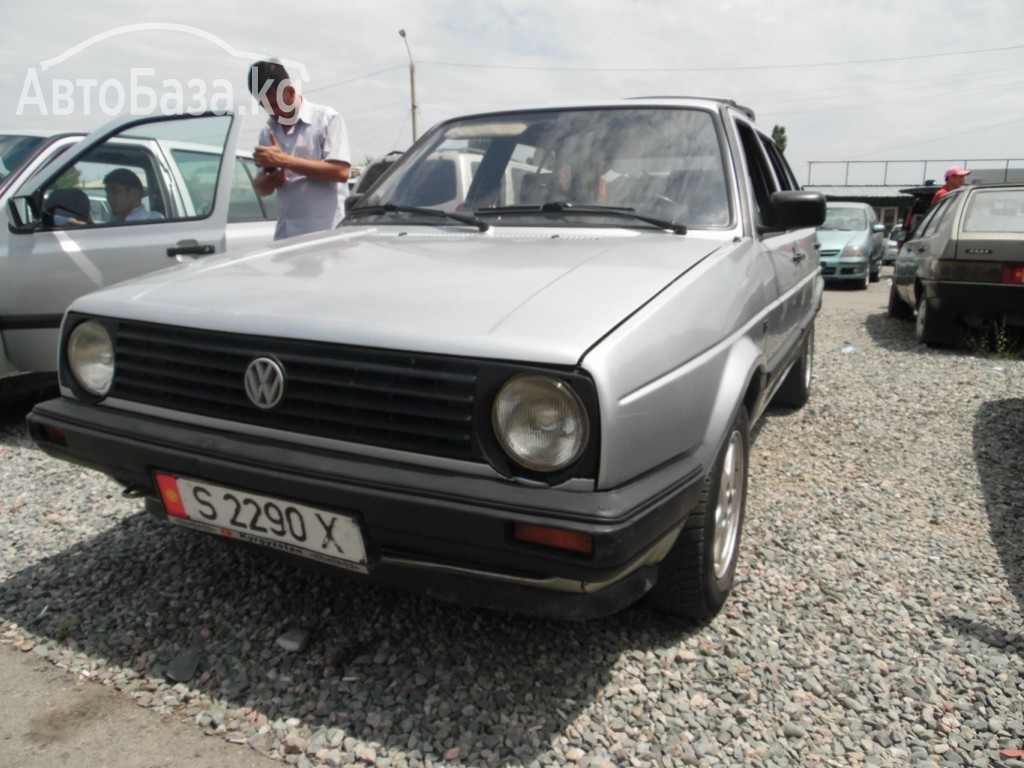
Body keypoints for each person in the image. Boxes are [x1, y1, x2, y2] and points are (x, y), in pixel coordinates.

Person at [248, 60, 351, 240]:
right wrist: (269, 181)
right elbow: (262, 189)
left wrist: (284, 160)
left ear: (290, 91)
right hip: (285, 236)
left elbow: (341, 171)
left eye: (274, 104)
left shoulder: (327, 119)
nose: (272, 112)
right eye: (265, 106)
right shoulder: (268, 133)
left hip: (325, 236)